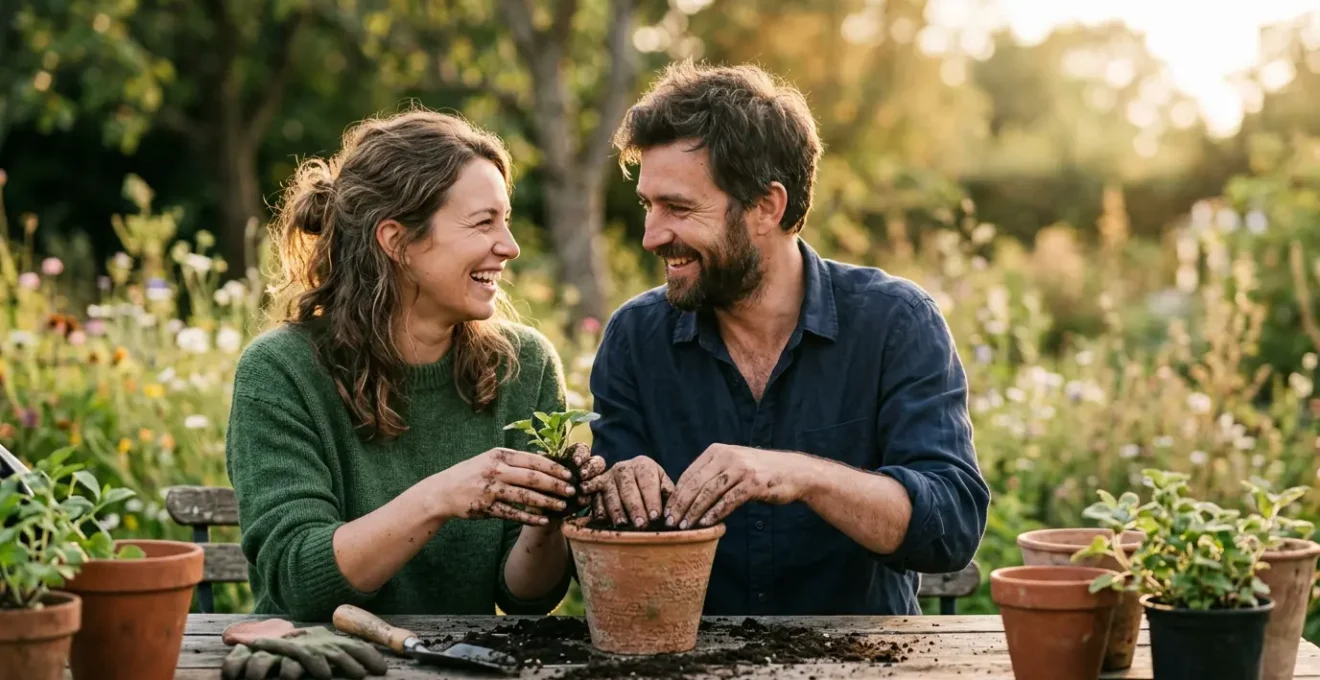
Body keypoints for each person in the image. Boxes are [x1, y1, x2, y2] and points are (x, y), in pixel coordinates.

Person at [581, 61, 990, 616]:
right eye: (648, 205)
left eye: (678, 207)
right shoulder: (635, 338)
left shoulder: (895, 323)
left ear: (765, 207)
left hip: (867, 663)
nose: (653, 235)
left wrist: (799, 474)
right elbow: (606, 546)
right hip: (690, 662)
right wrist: (615, 490)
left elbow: (951, 529)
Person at [224, 109, 602, 621]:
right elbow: (297, 582)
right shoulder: (280, 372)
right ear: (397, 241)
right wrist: (442, 496)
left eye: (506, 220)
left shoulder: (524, 365)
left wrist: (545, 516)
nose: (509, 248)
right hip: (322, 661)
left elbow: (525, 599)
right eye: (483, 222)